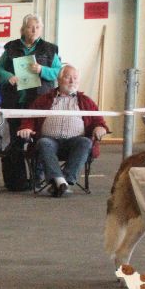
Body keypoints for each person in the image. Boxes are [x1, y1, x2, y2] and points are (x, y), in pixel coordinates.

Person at [16, 64, 109, 197]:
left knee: (85, 142)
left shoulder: (86, 101)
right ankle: (62, 182)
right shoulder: (44, 99)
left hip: (75, 142)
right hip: (50, 142)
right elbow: (30, 118)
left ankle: (61, 181)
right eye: (68, 77)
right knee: (43, 142)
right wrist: (27, 128)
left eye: (75, 78)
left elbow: (99, 122)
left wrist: (100, 128)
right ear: (59, 80)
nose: (72, 81)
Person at [0, 14, 61, 129]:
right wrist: (8, 76)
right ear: (23, 29)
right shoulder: (11, 47)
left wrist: (42, 70)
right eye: (30, 27)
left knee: (37, 133)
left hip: (40, 100)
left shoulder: (49, 49)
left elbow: (59, 72)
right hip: (14, 100)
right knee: (15, 133)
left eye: (38, 27)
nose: (34, 30)